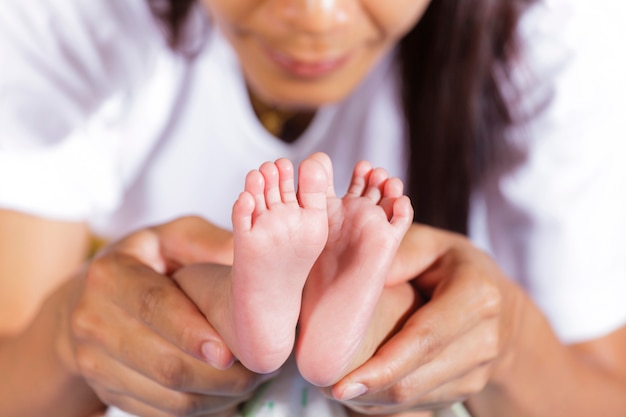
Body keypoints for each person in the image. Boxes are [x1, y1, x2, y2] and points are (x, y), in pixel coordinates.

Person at [1, 0, 626, 416]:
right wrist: (67, 334)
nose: (314, 18)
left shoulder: (558, 32)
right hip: (342, 345)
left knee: (208, 302)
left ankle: (263, 309)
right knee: (393, 306)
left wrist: (509, 343)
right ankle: (345, 321)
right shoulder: (68, 16)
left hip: (218, 343)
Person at [172, 152, 414, 383]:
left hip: (235, 373)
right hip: (345, 395)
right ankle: (366, 331)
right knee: (406, 295)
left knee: (183, 277)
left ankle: (227, 300)